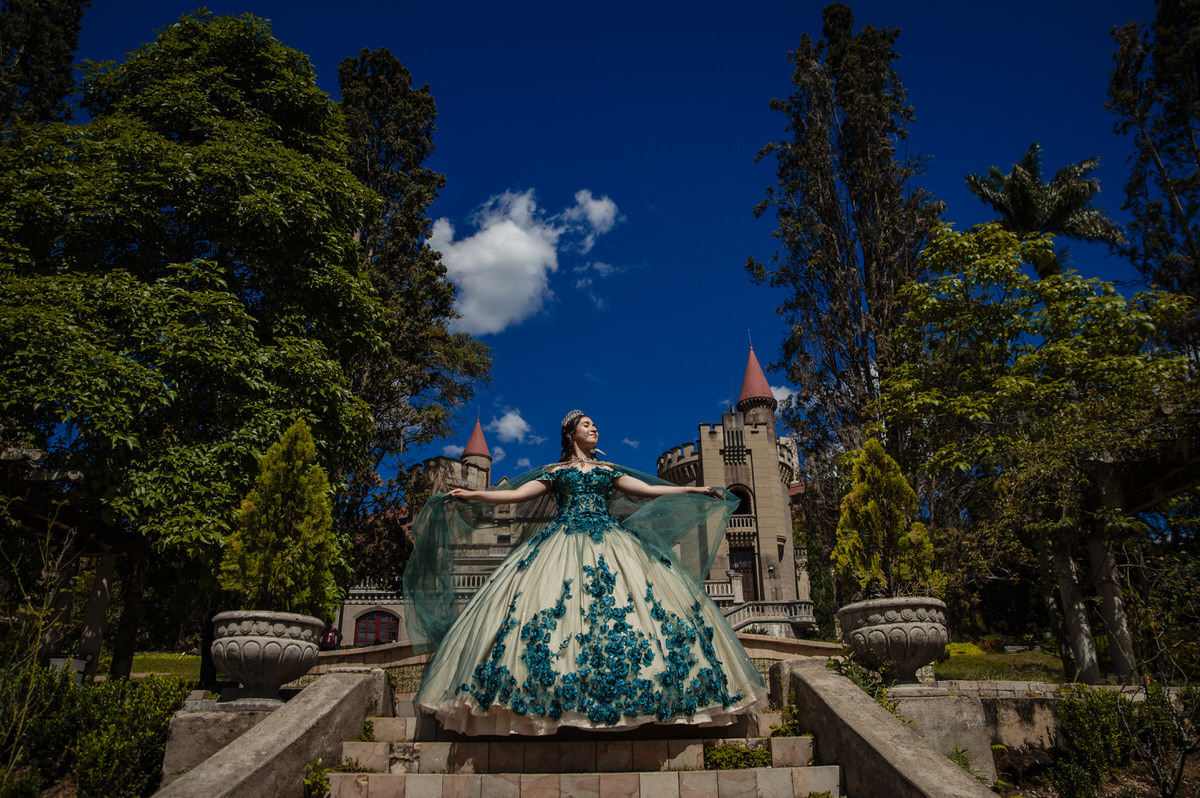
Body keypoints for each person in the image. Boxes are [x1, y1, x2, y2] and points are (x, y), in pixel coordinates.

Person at [405, 410, 767, 736]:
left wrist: (692, 488)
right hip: (559, 544)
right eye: (586, 425)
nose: (594, 429)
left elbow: (647, 491)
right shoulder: (557, 472)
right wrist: (474, 496)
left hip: (613, 543)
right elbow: (515, 495)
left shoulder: (608, 471)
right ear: (570, 434)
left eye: (595, 424)